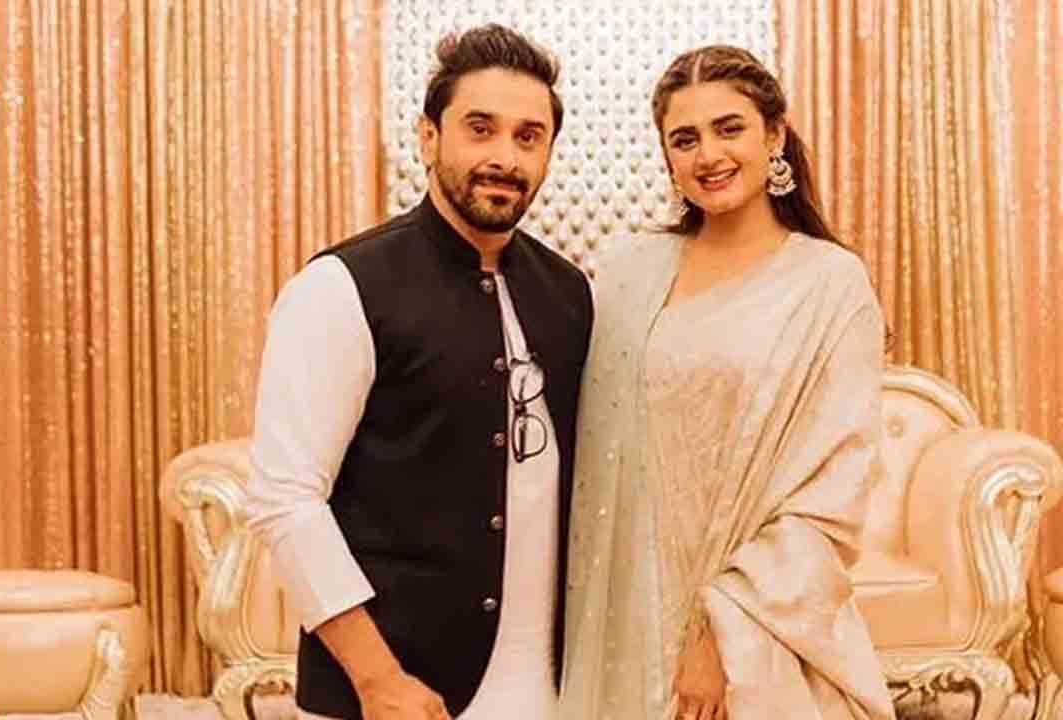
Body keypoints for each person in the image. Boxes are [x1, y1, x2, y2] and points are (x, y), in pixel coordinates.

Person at [242, 24, 593, 720]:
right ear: (429, 137)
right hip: (390, 694)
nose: (504, 157)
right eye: (480, 129)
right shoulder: (342, 286)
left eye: (528, 136)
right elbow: (286, 500)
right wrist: (378, 679)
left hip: (544, 691)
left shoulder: (570, 293)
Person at [560, 45, 897, 720]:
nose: (708, 155)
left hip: (756, 633)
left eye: (729, 128)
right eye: (684, 139)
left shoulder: (828, 285)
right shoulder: (629, 272)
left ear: (774, 134)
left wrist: (722, 633)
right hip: (627, 616)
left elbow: (831, 492)